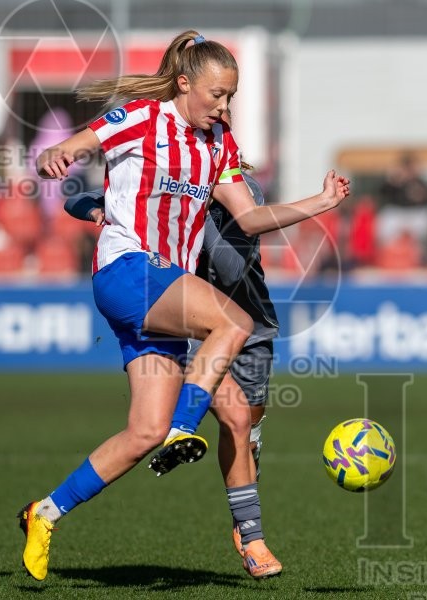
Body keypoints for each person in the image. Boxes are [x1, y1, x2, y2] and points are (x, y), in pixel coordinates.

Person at [19, 30, 349, 582]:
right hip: (128, 270)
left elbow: (249, 219)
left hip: (163, 292)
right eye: (217, 95)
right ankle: (184, 427)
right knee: (234, 321)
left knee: (175, 426)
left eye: (231, 97)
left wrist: (321, 201)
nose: (224, 106)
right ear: (184, 84)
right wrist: (59, 153)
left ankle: (45, 513)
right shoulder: (142, 118)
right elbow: (77, 145)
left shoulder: (219, 144)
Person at [64, 107, 281, 577]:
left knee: (246, 430)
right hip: (196, 318)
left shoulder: (239, 190)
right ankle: (251, 535)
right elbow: (79, 199)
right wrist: (99, 210)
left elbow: (241, 248)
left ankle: (243, 505)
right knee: (231, 418)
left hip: (250, 323)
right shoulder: (174, 184)